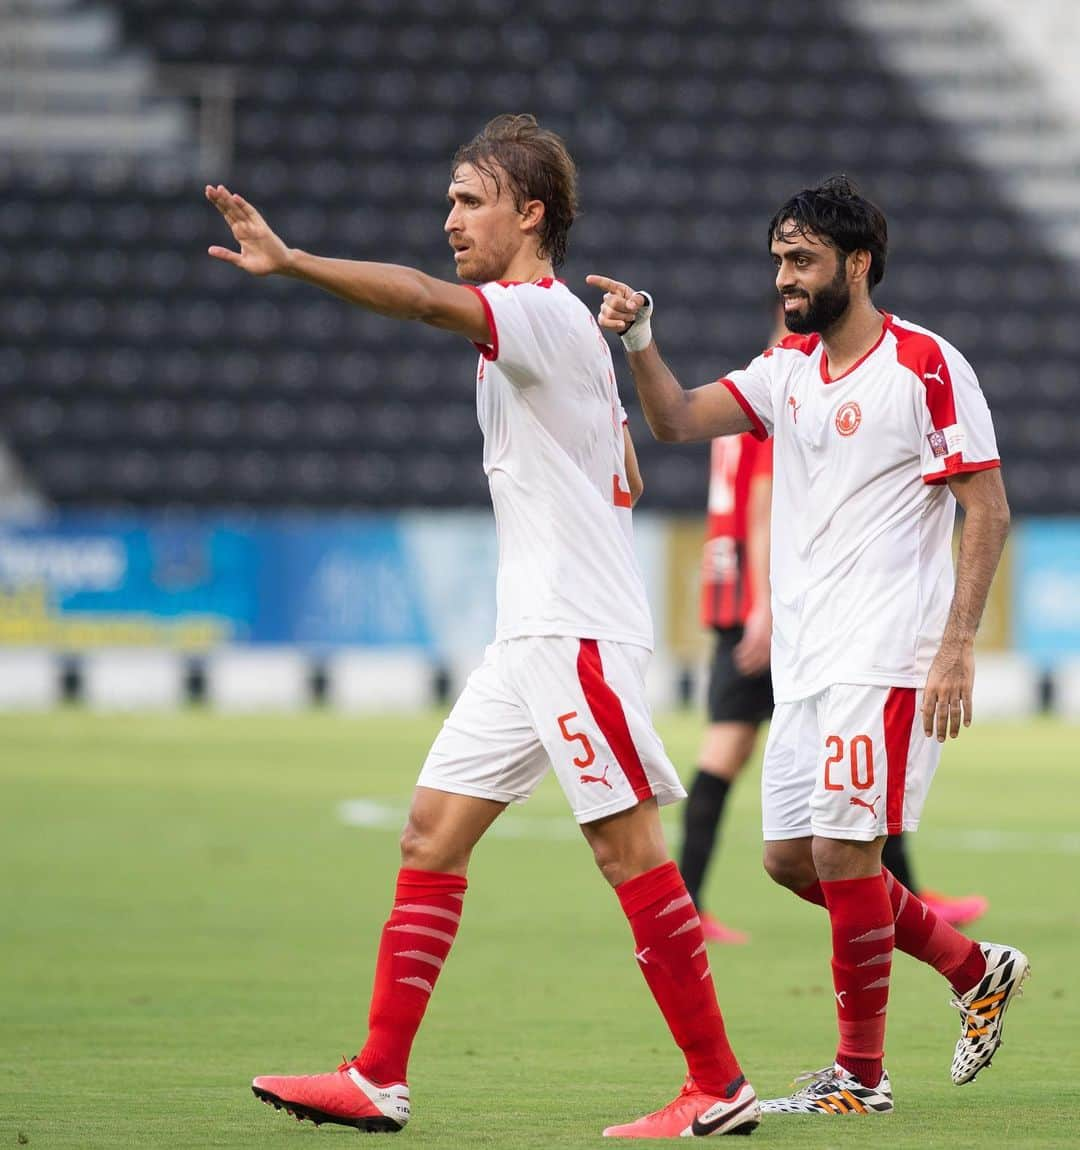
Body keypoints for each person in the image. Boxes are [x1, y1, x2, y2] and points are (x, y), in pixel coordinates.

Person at [206, 115, 760, 1139]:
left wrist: (290, 262)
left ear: (529, 213)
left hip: (574, 632)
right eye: (452, 201)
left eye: (470, 199)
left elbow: (421, 302)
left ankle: (717, 1085)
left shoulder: (536, 314)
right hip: (532, 637)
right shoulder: (564, 332)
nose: (449, 218)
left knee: (628, 850)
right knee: (430, 831)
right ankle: (378, 1074)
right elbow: (623, 461)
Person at [590, 174, 1029, 1116]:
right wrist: (638, 340)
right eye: (780, 260)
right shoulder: (786, 368)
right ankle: (972, 968)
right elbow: (674, 420)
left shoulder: (924, 365)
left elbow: (985, 508)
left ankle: (860, 1080)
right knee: (791, 861)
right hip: (807, 660)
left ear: (857, 263)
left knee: (842, 855)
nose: (786, 277)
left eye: (803, 260)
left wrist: (957, 648)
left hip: (889, 652)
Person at [685, 307, 990, 943]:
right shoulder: (788, 392)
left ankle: (695, 899)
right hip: (775, 609)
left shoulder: (757, 395)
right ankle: (692, 898)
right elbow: (765, 506)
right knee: (777, 793)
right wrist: (763, 608)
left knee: (834, 813)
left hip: (739, 593)